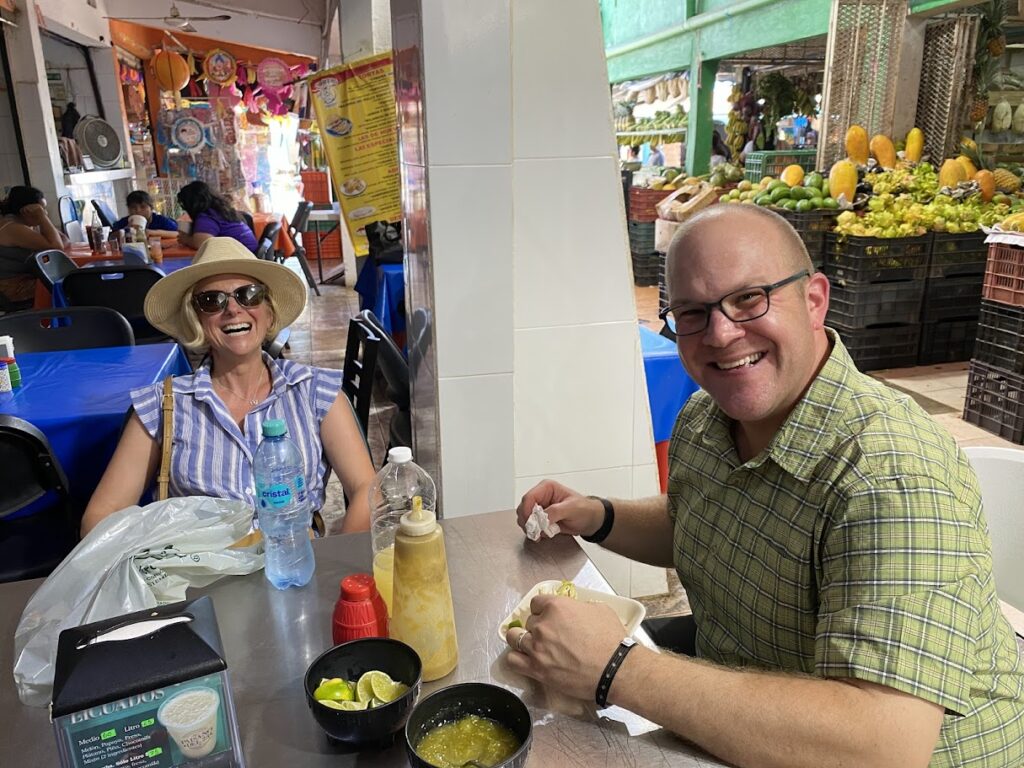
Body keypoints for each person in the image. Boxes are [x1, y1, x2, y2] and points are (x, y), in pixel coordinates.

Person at [510, 205, 1024, 768]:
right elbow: (701, 521)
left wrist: (616, 668)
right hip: (750, 682)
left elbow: (883, 745)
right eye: (693, 313)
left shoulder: (893, 471)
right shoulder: (706, 419)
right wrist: (598, 514)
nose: (723, 334)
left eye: (749, 299)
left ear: (814, 301)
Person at [81, 237, 375, 536]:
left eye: (249, 295)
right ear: (196, 319)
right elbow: (104, 512)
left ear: (269, 311)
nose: (233, 309)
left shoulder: (314, 391)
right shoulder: (163, 406)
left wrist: (338, 567)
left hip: (294, 566)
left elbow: (366, 487)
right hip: (200, 576)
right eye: (212, 301)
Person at [0, 186, 67, 309]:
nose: (45, 213)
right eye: (41, 210)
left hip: (25, 280)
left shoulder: (25, 224)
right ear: (25, 211)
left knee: (66, 281)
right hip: (11, 288)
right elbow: (57, 248)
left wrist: (42, 220)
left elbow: (64, 240)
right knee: (67, 287)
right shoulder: (13, 228)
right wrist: (42, 218)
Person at [176, 181, 258, 253]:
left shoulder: (207, 216)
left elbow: (201, 244)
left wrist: (186, 240)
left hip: (243, 259)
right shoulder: (221, 211)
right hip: (249, 253)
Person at [111, 190, 179, 237]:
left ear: (151, 208)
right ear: (128, 209)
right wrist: (127, 230)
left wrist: (152, 233)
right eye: (133, 207)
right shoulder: (125, 222)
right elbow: (111, 236)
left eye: (143, 207)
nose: (138, 210)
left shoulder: (161, 220)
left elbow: (178, 233)